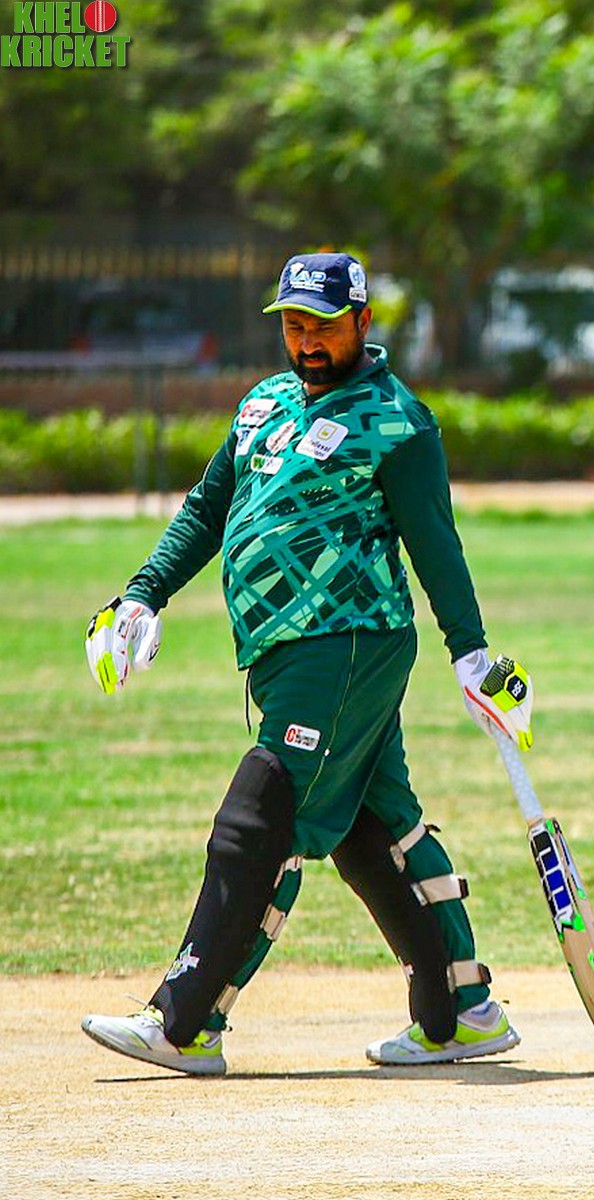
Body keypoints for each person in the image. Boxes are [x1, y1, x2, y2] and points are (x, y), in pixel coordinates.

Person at [81, 252, 536, 1076]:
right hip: (283, 656)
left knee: (262, 815)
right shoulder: (262, 405)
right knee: (372, 828)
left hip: (349, 644)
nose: (306, 342)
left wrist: (470, 653)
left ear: (362, 321)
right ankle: (461, 1013)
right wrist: (143, 594)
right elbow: (208, 508)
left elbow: (436, 544)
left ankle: (185, 1022)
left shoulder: (398, 421)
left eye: (322, 326)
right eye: (293, 326)